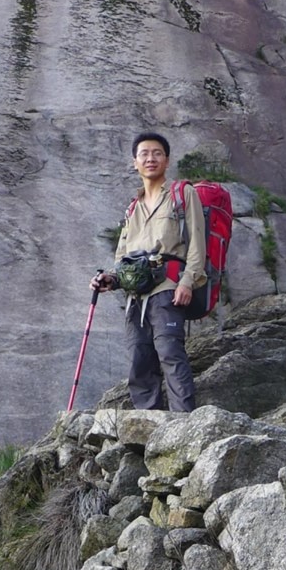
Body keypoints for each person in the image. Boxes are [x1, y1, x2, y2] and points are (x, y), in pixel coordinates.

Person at [92, 132, 207, 413]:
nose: (150, 158)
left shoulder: (182, 194)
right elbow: (123, 257)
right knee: (139, 360)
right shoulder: (133, 208)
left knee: (169, 352)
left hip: (168, 285)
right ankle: (148, 425)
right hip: (136, 295)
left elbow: (197, 243)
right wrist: (111, 278)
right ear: (135, 162)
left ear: (167, 160)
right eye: (144, 154)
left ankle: (183, 423)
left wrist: (188, 282)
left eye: (157, 153)